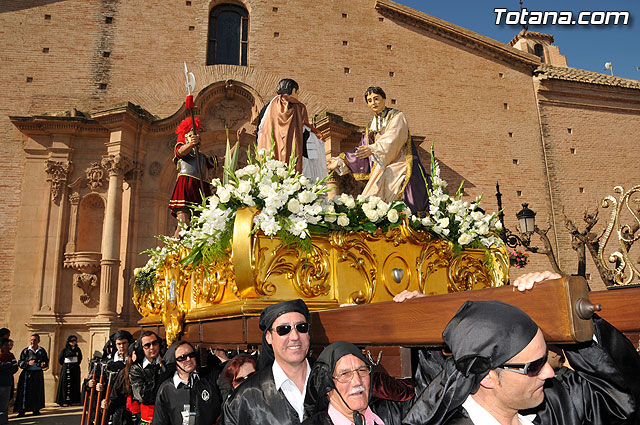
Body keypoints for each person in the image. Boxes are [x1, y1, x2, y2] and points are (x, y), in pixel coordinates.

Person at [401, 280, 640, 425]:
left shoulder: (557, 402)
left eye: (546, 358)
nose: (549, 372)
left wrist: (570, 313)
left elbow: (621, 401)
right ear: (486, 377)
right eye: (533, 366)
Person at [328, 87, 429, 214]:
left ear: (384, 99)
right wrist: (340, 161)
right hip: (381, 163)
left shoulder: (397, 116)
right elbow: (362, 149)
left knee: (389, 181)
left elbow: (393, 138)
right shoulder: (371, 125)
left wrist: (373, 149)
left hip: (399, 162)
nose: (373, 103)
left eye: (376, 99)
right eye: (369, 101)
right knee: (369, 198)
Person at [222, 299, 312, 425]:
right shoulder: (244, 399)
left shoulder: (333, 382)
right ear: (269, 337)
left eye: (301, 327)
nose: (295, 336)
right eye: (283, 329)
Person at [303, 341, 413, 425]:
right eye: (345, 374)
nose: (357, 381)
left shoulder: (393, 416)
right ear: (328, 387)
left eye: (362, 370)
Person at [257, 78, 326, 181]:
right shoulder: (297, 106)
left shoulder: (265, 110)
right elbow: (304, 131)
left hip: (270, 155)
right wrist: (316, 136)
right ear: (293, 90)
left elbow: (259, 133)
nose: (297, 95)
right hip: (293, 156)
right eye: (297, 92)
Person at [152, 341, 222, 425]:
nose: (188, 359)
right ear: (175, 362)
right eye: (182, 357)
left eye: (191, 355)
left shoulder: (209, 381)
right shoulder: (166, 389)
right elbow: (159, 422)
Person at [170, 117, 218, 238]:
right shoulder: (182, 148)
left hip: (200, 188)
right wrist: (191, 144)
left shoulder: (202, 156)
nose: (196, 137)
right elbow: (180, 152)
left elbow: (220, 160)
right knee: (184, 224)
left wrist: (238, 143)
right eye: (192, 135)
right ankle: (172, 252)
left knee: (200, 225)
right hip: (187, 185)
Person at [129, 331, 166, 425]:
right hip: (148, 420)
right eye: (147, 345)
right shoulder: (136, 369)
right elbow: (143, 396)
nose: (152, 347)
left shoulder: (167, 364)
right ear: (142, 348)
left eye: (154, 343)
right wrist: (160, 373)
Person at [99, 330, 136, 425]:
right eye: (119, 344)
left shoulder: (134, 362)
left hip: (131, 404)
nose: (122, 346)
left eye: (124, 343)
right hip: (114, 403)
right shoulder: (108, 364)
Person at [14, 333, 49, 417]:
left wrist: (44, 364)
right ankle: (22, 411)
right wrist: (27, 363)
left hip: (37, 374)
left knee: (37, 391)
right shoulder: (26, 351)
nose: (33, 342)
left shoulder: (42, 351)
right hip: (27, 374)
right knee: (25, 393)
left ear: (38, 341)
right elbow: (20, 362)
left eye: (35, 340)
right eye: (32, 340)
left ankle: (36, 409)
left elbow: (46, 361)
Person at [56, 334, 83, 406]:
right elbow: (60, 359)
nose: (73, 342)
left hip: (74, 368)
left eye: (75, 341)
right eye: (71, 341)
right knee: (65, 383)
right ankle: (63, 400)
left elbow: (80, 358)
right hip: (66, 367)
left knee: (74, 383)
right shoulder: (65, 350)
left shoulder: (78, 350)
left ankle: (73, 400)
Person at [0, 338, 18, 425]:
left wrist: (3, 366)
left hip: (6, 384)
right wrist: (7, 365)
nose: (8, 347)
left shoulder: (11, 356)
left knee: (4, 406)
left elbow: (15, 367)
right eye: (6, 345)